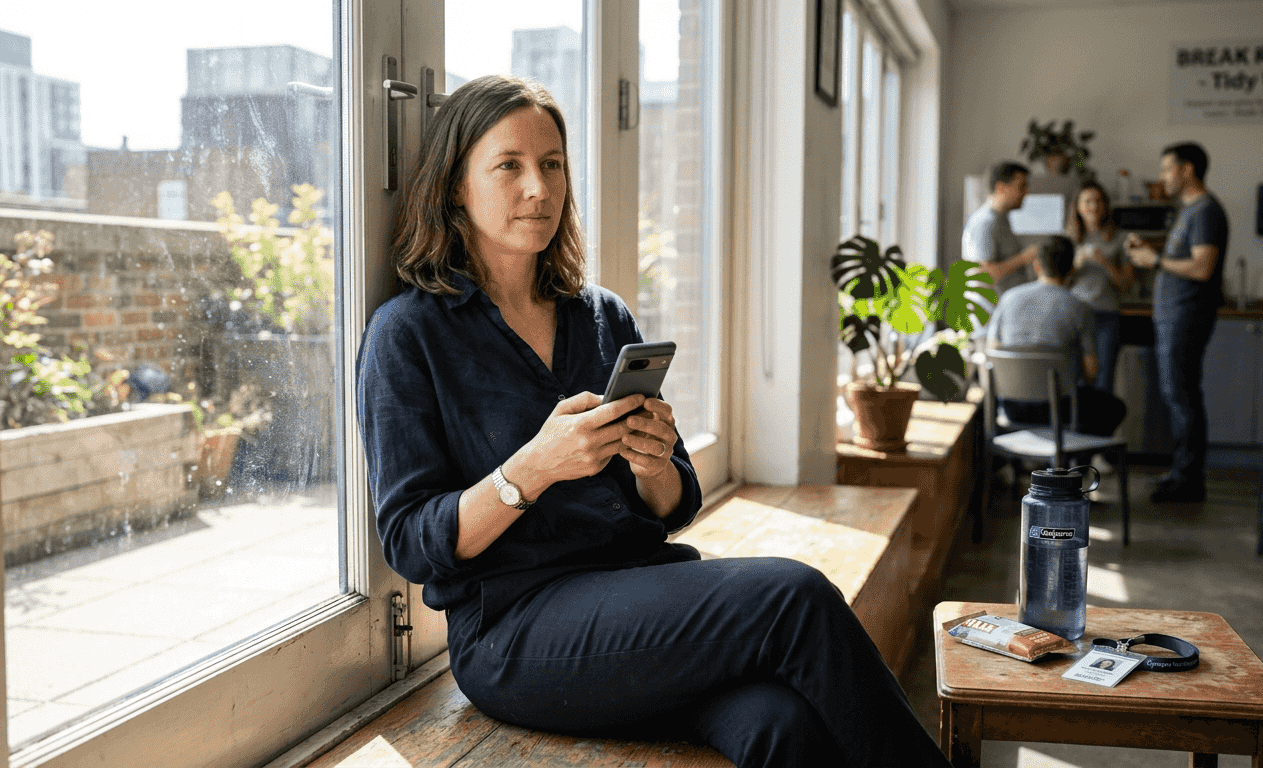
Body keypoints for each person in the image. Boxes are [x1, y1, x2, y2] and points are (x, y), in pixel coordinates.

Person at [355, 75, 949, 768]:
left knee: (779, 726)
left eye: (552, 164)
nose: (539, 188)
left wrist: (653, 462)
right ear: (456, 185)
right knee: (795, 595)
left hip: (639, 598)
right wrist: (531, 470)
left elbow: (675, 505)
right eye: (509, 166)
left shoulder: (601, 315)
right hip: (514, 629)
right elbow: (408, 541)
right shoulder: (409, 335)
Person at [1126, 142, 1228, 504]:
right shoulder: (1188, 212)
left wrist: (1155, 261)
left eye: (1167, 169)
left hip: (1186, 316)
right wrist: (1150, 250)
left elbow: (1202, 267)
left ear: (1187, 170)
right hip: (1174, 317)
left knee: (1182, 396)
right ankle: (1181, 472)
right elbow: (1184, 258)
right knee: (1177, 394)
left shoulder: (1205, 212)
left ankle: (1188, 480)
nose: (1162, 177)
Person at [983, 235, 1127, 438]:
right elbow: (1091, 372)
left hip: (1012, 406)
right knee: (1114, 408)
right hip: (1060, 409)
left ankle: (1023, 462)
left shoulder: (1008, 299)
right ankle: (1075, 461)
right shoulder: (1080, 308)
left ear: (1036, 266)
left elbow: (993, 351)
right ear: (1072, 269)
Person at [1065, 181, 1134, 393]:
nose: (1093, 206)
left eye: (1098, 201)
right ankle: (1076, 426)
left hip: (1106, 317)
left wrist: (1105, 262)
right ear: (1077, 207)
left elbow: (1126, 284)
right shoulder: (1067, 240)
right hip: (1074, 316)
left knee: (1103, 382)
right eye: (1087, 201)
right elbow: (1057, 283)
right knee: (1074, 379)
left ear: (1105, 206)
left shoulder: (1121, 238)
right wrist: (1074, 266)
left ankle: (1099, 425)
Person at [964, 161, 1041, 296]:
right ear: (1001, 188)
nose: (1026, 192)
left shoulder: (1001, 220)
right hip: (995, 312)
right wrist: (1024, 257)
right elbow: (983, 275)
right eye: (1021, 186)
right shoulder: (985, 223)